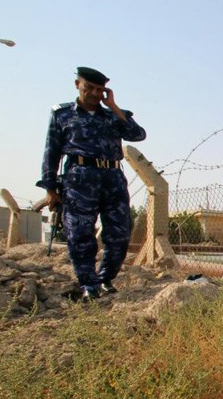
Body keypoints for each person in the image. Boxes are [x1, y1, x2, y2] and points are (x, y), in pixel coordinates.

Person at [36, 66, 147, 301]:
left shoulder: (113, 116)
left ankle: (105, 278)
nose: (95, 94)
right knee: (80, 233)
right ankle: (88, 284)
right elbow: (51, 152)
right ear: (78, 85)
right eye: (90, 88)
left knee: (119, 233)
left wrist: (114, 107)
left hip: (112, 179)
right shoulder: (62, 114)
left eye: (100, 89)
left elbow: (137, 135)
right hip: (79, 179)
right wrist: (50, 189)